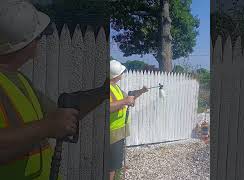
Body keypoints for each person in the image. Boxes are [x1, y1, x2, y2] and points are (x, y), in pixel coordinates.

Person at [0, 1, 108, 179]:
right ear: (23, 44)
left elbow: (61, 116)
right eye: (37, 37)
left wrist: (102, 92)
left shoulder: (18, 80)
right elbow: (51, 124)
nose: (39, 41)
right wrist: (46, 127)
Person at [109, 60, 148, 180]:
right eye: (121, 72)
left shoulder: (115, 87)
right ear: (116, 75)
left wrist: (141, 91)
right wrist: (126, 101)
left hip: (119, 131)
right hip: (112, 133)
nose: (123, 74)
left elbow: (128, 97)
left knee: (115, 164)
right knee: (110, 166)